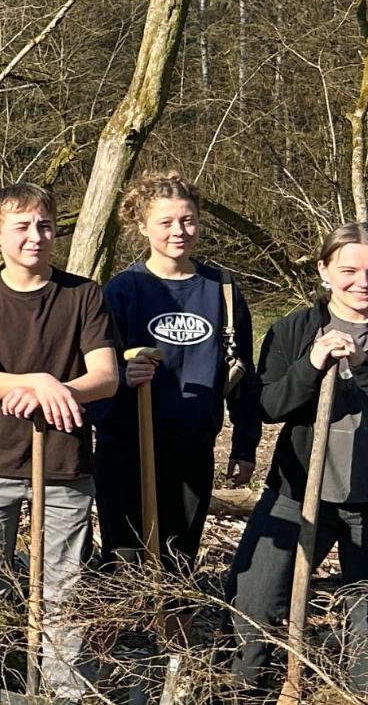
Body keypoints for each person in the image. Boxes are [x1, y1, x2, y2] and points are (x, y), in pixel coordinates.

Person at [226, 224, 368, 696]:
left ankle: (362, 695)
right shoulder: (295, 330)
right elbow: (268, 405)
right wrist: (311, 365)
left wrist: (367, 366)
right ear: (324, 271)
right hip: (300, 493)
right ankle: (245, 689)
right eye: (349, 270)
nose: (362, 282)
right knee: (254, 600)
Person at [0, 182, 120, 702]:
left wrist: (57, 387)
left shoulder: (84, 295)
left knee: (64, 591)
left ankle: (62, 691)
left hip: (65, 462)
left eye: (44, 225)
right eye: (21, 226)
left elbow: (106, 376)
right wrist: (41, 382)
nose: (35, 236)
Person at [101, 171, 261, 571]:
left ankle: (172, 634)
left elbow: (243, 372)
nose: (179, 231)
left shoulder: (221, 290)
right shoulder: (122, 290)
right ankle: (117, 632)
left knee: (178, 557)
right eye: (166, 222)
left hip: (192, 444)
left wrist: (245, 445)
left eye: (188, 220)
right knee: (123, 556)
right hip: (127, 443)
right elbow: (96, 369)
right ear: (142, 226)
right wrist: (124, 378)